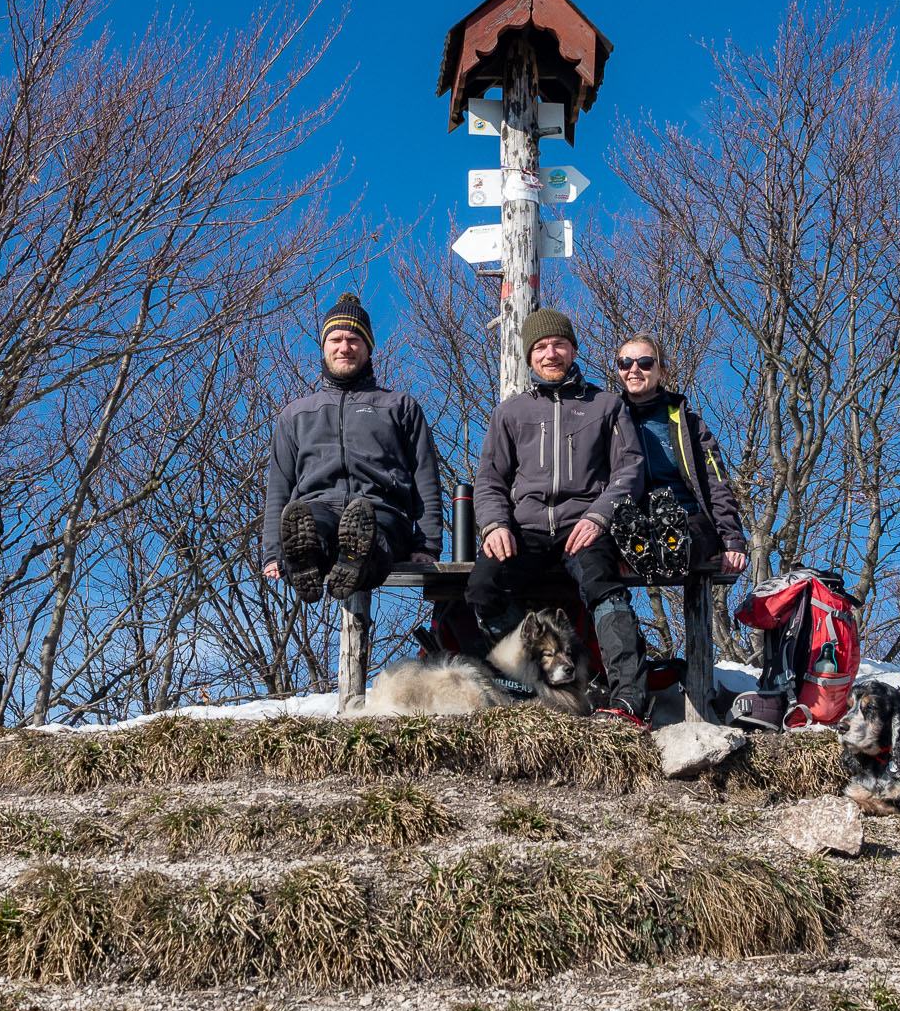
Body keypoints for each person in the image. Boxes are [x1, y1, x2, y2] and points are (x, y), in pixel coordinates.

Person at [468, 308, 653, 725]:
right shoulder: (510, 413)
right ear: (529, 357)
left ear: (573, 350)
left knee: (605, 589)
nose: (550, 353)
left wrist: (599, 517)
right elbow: (489, 480)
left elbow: (630, 470)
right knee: (482, 587)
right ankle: (524, 682)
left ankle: (626, 702)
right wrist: (495, 524)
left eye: (558, 345)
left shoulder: (605, 406)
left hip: (583, 527)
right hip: (525, 531)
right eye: (540, 347)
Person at [262, 293, 443, 602]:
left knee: (373, 539)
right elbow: (280, 485)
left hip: (383, 511)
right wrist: (271, 552)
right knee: (310, 533)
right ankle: (305, 561)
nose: (344, 347)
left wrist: (426, 545)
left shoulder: (398, 406)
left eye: (354, 339)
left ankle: (358, 560)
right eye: (336, 339)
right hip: (318, 506)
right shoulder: (297, 413)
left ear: (368, 347)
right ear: (323, 347)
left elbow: (425, 478)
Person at [610, 333, 748, 576]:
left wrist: (732, 539)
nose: (634, 370)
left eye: (645, 363)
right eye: (625, 363)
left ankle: (666, 543)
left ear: (661, 371)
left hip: (688, 517)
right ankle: (637, 546)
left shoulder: (688, 424)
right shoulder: (608, 423)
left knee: (685, 539)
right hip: (632, 522)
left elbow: (715, 482)